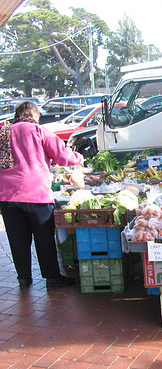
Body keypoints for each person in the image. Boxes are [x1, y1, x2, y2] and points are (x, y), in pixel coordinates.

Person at [0, 101, 84, 290]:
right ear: (34, 115)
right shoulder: (39, 131)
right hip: (35, 194)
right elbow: (62, 156)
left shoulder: (3, 132)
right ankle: (52, 277)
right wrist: (79, 158)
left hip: (7, 195)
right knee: (44, 238)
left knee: (17, 239)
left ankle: (24, 278)